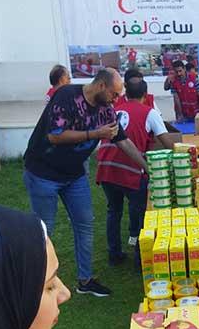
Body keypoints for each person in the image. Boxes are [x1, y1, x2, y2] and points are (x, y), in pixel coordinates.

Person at [24, 68, 147, 297]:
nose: (117, 99)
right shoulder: (66, 96)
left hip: (74, 175)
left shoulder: (106, 110)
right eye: (114, 93)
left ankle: (85, 280)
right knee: (45, 230)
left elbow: (121, 140)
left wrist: (147, 167)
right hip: (43, 173)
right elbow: (55, 135)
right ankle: (39, 283)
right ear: (101, 85)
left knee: (84, 224)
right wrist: (95, 134)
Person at [97, 77, 173, 265]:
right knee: (141, 215)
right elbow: (166, 141)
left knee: (113, 211)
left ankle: (114, 254)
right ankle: (141, 258)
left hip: (105, 166)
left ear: (125, 93)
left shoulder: (114, 110)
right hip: (130, 167)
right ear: (145, 95)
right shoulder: (149, 112)